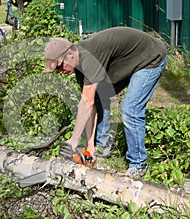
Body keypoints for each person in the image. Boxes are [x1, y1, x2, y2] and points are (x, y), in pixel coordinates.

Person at [44, 27, 167, 178]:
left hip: (150, 58)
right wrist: (90, 147)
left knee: (130, 108)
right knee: (98, 97)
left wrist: (74, 139)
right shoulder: (79, 67)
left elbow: (86, 103)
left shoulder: (90, 56)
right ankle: (101, 148)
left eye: (60, 66)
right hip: (129, 61)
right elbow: (91, 105)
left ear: (70, 54)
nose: (61, 72)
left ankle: (138, 164)